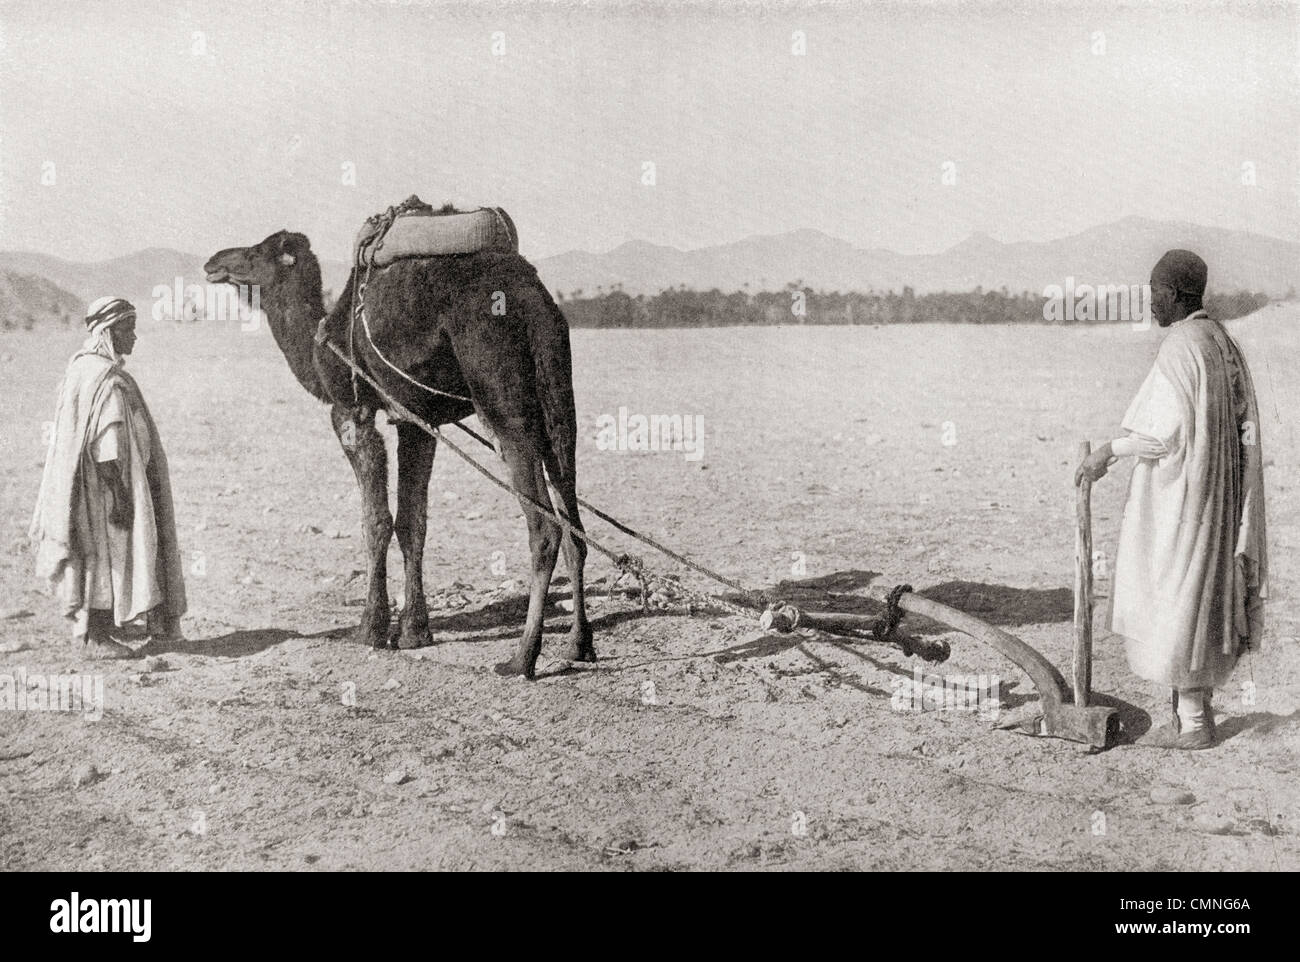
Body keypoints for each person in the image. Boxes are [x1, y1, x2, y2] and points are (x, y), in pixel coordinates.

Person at [1075, 250, 1267, 749]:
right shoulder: (1221, 341)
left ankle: (1195, 723)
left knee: (1177, 596)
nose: (1150, 300)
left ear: (1176, 295)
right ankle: (1191, 716)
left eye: (1155, 290)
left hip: (1186, 499)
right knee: (1201, 595)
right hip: (1218, 496)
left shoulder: (1182, 346)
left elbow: (1163, 437)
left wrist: (1107, 453)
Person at [30, 297, 187, 658]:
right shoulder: (105, 380)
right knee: (106, 555)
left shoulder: (84, 370)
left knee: (105, 556)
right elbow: (106, 443)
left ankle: (106, 629)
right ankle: (97, 637)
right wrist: (119, 494)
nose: (134, 336)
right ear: (107, 331)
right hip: (105, 486)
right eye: (127, 328)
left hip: (99, 483)